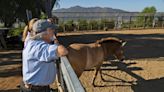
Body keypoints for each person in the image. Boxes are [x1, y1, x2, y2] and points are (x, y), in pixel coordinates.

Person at [20, 19, 68, 92]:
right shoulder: (40, 47)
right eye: (53, 30)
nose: (54, 33)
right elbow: (63, 51)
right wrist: (55, 40)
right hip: (36, 90)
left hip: (33, 87)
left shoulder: (32, 42)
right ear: (48, 31)